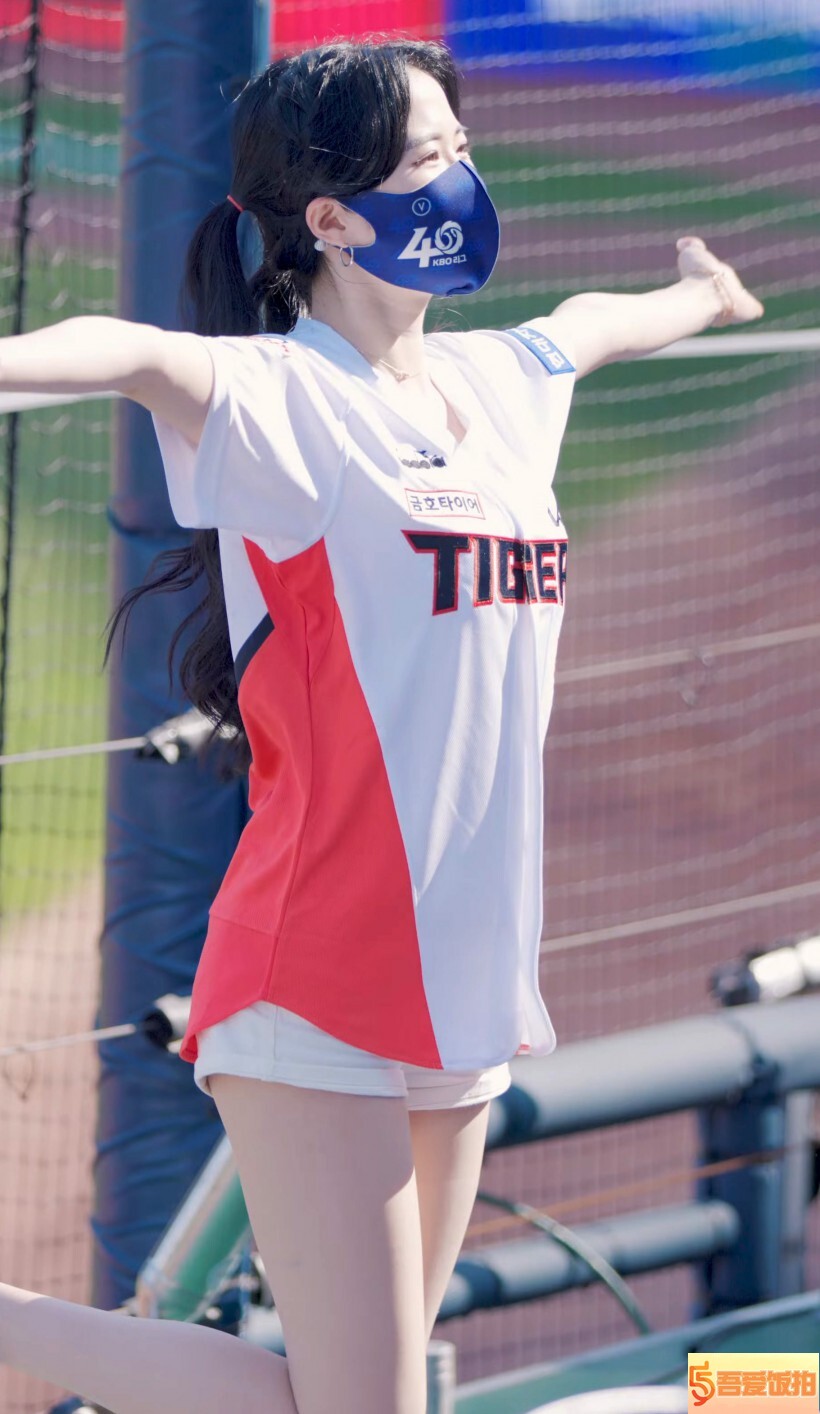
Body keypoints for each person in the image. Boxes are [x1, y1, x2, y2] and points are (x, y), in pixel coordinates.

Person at [0, 38, 763, 1414]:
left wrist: (698, 295)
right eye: (427, 159)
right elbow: (131, 356)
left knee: (346, 1396)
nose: (463, 177)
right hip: (319, 967)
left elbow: (592, 322)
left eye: (461, 148)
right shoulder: (281, 398)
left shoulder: (502, 386)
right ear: (334, 218)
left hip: (467, 974)